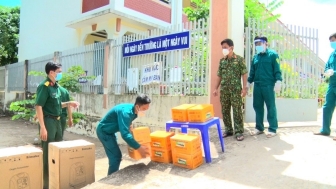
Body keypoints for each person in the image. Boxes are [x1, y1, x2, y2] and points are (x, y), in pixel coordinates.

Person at [35, 62, 80, 189]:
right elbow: (39, 106)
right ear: (51, 72)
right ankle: (46, 184)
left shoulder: (56, 87)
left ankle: (56, 181)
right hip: (48, 122)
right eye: (58, 71)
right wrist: (43, 127)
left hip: (57, 121)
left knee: (58, 150)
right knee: (47, 153)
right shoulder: (44, 86)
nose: (60, 74)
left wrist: (70, 103)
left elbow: (57, 105)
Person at [96, 94, 151, 175]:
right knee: (116, 157)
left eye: (146, 109)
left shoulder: (134, 111)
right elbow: (124, 134)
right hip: (104, 132)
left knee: (116, 156)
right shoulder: (126, 112)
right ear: (137, 106)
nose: (145, 111)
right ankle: (110, 179)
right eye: (143, 109)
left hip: (111, 132)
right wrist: (138, 147)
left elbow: (127, 122)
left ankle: (112, 176)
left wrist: (130, 125)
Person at [247, 36, 282, 138]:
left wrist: (278, 80)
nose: (258, 46)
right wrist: (248, 82)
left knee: (271, 106)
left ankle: (272, 128)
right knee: (257, 107)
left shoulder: (273, 55)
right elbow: (252, 71)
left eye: (260, 44)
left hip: (268, 85)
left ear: (266, 43)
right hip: (257, 86)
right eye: (256, 44)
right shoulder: (255, 57)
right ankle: (259, 127)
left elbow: (277, 69)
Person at [213, 38, 248, 141]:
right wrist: (215, 88)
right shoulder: (222, 61)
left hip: (236, 90)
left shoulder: (239, 60)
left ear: (231, 48)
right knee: (225, 110)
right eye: (222, 48)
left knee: (237, 111)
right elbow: (219, 76)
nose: (223, 49)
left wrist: (245, 88)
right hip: (224, 90)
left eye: (225, 47)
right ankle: (228, 129)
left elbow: (244, 74)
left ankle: (239, 131)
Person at [314, 32, 336, 141]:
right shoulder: (332, 55)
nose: (332, 43)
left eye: (333, 40)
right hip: (332, 84)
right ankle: (325, 130)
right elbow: (327, 67)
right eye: (331, 41)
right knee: (327, 107)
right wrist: (327, 72)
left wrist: (334, 72)